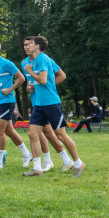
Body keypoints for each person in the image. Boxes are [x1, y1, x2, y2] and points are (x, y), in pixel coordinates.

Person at [22, 36, 85, 178]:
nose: (27, 46)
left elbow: (43, 80)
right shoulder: (36, 60)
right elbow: (41, 82)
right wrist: (32, 87)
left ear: (37, 45)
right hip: (38, 104)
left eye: (30, 43)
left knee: (61, 135)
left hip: (51, 103)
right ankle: (37, 168)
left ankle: (78, 162)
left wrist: (29, 71)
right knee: (33, 134)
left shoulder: (43, 58)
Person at [0, 40, 33, 170]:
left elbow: (21, 78)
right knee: (9, 131)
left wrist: (10, 89)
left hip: (7, 101)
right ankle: (27, 154)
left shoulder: (6, 63)